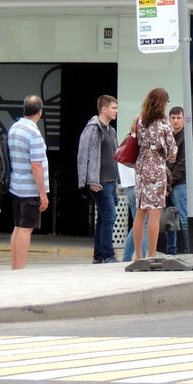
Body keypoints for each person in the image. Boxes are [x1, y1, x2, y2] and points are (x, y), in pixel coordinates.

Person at [131, 87, 178, 259]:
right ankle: (152, 253)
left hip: (141, 167)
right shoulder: (163, 123)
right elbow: (172, 153)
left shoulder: (140, 120)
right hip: (156, 168)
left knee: (140, 212)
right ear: (162, 103)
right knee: (155, 213)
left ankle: (138, 254)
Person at [7, 95, 49, 269]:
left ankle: (15, 267)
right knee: (26, 229)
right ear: (39, 112)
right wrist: (43, 193)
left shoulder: (14, 128)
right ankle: (21, 269)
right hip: (31, 189)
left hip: (16, 185)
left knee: (18, 227)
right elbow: (37, 165)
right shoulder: (34, 133)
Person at [77, 95, 119, 264]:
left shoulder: (111, 130)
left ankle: (100, 254)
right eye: (113, 108)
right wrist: (90, 180)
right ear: (104, 109)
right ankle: (107, 254)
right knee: (109, 215)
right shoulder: (94, 128)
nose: (116, 111)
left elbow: (114, 157)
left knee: (103, 217)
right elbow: (84, 154)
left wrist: (116, 182)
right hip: (99, 181)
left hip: (110, 180)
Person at [165, 106, 189, 255]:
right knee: (169, 218)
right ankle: (171, 250)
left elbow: (183, 163)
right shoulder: (169, 136)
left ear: (184, 119)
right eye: (173, 118)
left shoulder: (185, 137)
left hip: (179, 183)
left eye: (178, 117)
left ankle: (188, 250)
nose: (175, 120)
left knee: (183, 217)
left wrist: (170, 180)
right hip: (168, 183)